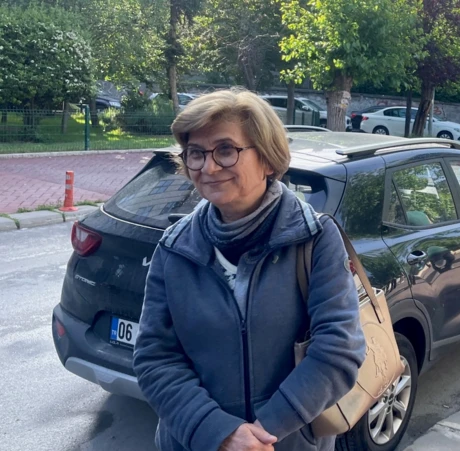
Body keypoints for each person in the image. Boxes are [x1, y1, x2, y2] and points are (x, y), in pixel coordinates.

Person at [133, 88, 367, 451]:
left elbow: (339, 350)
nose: (208, 167)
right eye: (196, 153)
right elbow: (154, 356)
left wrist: (264, 432)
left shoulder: (315, 239)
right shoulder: (174, 247)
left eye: (226, 150)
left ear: (269, 160)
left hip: (286, 443)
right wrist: (220, 433)